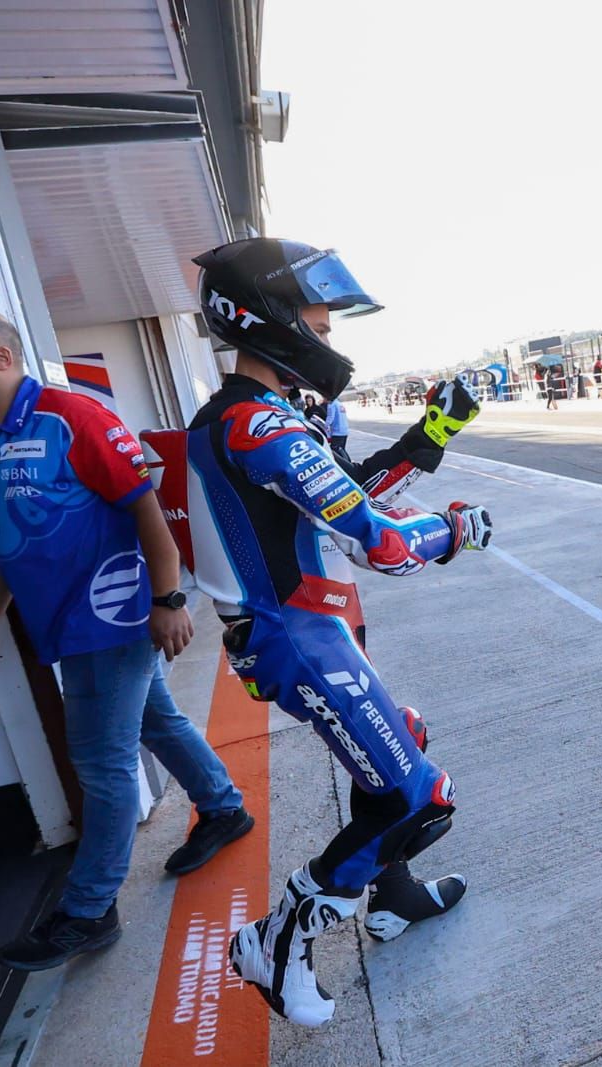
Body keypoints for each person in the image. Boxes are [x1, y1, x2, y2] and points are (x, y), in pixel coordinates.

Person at [182, 239, 491, 1027]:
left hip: (317, 624)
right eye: (320, 320)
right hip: (296, 633)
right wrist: (452, 531)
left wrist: (433, 432)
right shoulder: (255, 425)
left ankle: (387, 901)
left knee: (401, 743)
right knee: (420, 798)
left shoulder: (275, 416)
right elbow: (378, 539)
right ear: (271, 319)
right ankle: (277, 938)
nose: (330, 335)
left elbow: (350, 490)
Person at [0, 304, 250, 972]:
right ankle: (223, 807)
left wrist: (168, 599)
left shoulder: (74, 418)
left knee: (101, 766)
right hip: (60, 623)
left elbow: (145, 506)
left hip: (110, 616)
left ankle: (88, 909)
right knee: (155, 718)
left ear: (1, 357)